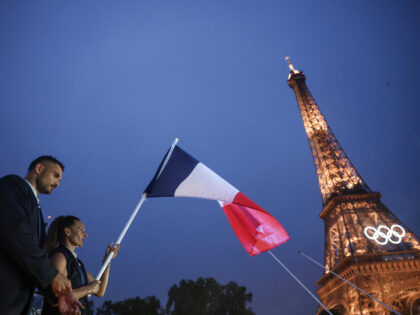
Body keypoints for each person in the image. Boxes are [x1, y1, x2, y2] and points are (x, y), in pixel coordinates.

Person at [0, 156, 83, 314]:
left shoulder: (37, 211)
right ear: (39, 168)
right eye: (56, 175)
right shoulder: (12, 185)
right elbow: (17, 235)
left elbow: (34, 261)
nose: (58, 183)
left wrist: (58, 295)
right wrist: (53, 275)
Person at [42, 216, 119, 314]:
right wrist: (88, 289)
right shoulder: (60, 256)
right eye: (81, 229)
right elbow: (55, 297)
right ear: (68, 231)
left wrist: (107, 261)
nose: (85, 235)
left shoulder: (77, 263)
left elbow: (99, 291)